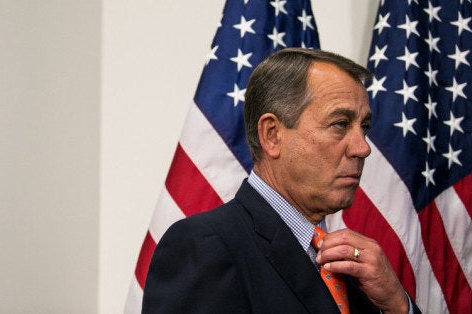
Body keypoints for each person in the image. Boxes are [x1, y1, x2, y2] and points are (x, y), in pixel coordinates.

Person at [142, 48, 421, 313]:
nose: (363, 148)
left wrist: (398, 306)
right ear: (272, 135)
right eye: (340, 124)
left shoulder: (356, 267)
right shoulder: (205, 247)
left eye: (364, 127)